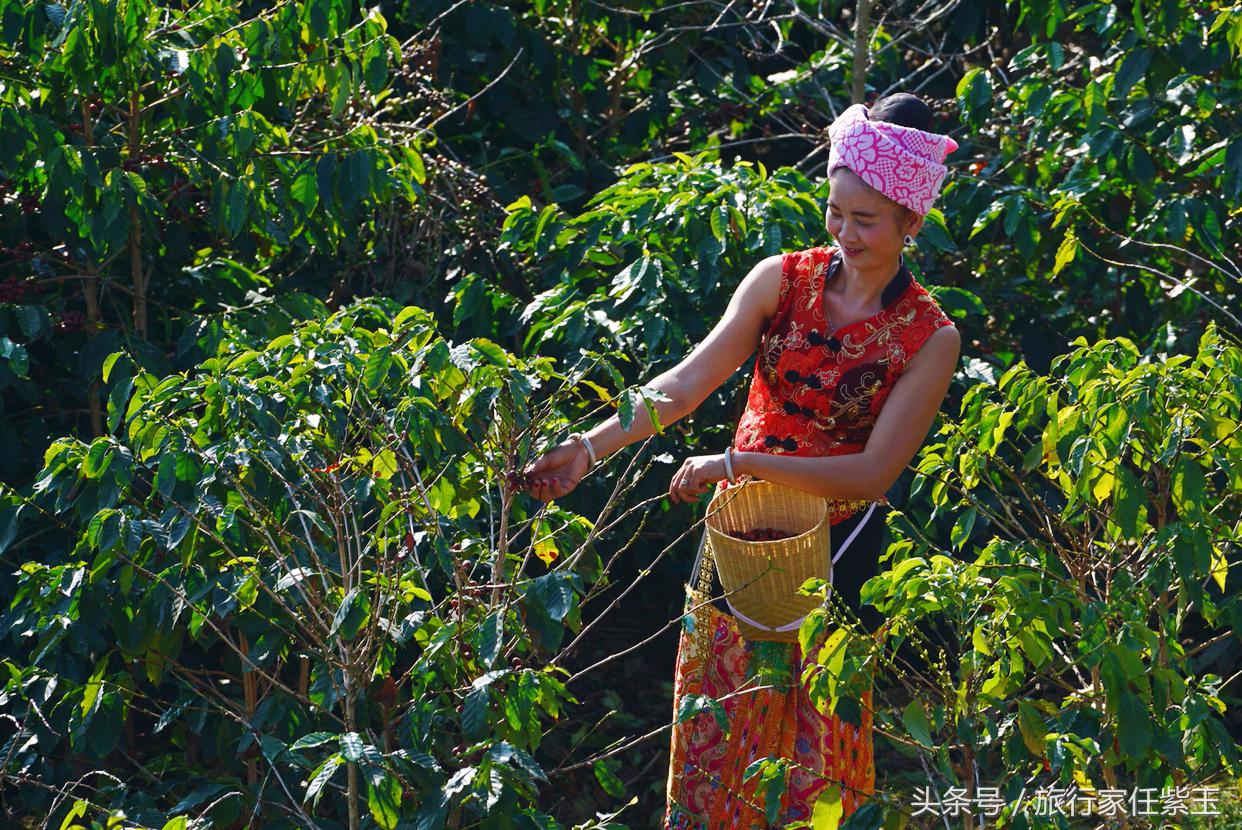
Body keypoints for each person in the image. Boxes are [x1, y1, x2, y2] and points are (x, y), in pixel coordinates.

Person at [521, 92, 961, 828]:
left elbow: (871, 475)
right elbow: (683, 386)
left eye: (866, 220)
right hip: (741, 539)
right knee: (715, 735)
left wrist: (738, 465)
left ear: (911, 223)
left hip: (840, 552)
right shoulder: (779, 280)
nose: (843, 232)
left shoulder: (929, 336)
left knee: (818, 755)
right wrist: (588, 447)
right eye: (835, 211)